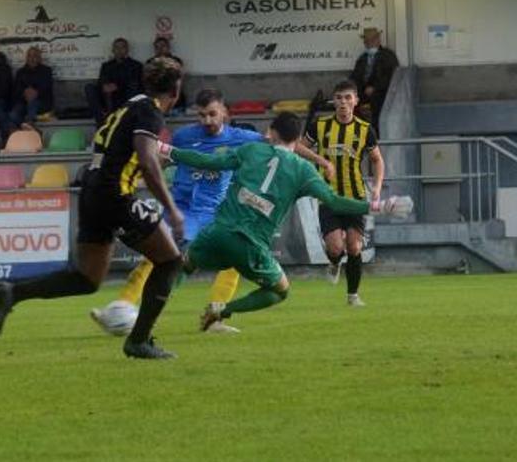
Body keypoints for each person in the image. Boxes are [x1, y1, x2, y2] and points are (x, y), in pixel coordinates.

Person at [0, 57, 186, 360]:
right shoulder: (150, 111)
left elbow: (127, 155)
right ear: (175, 89)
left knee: (87, 279)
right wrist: (171, 208)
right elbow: (146, 161)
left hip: (92, 190)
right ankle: (139, 340)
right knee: (171, 260)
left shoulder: (129, 105)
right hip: (114, 194)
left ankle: (13, 292)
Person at [163, 112, 411, 331]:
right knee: (279, 290)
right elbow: (333, 202)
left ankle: (147, 314)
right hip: (250, 244)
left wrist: (167, 150)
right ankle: (221, 310)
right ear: (298, 138)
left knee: (183, 265)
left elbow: (208, 161)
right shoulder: (304, 170)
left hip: (217, 233)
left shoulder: (251, 150)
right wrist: (376, 206)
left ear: (271, 132)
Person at [89, 88, 263, 335]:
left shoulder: (242, 137)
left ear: (224, 112)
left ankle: (214, 318)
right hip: (182, 209)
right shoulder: (183, 136)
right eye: (202, 115)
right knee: (156, 256)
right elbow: (158, 158)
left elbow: (278, 143)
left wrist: (317, 162)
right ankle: (121, 307)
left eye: (212, 114)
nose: (207, 121)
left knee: (234, 261)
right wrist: (137, 178)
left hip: (215, 213)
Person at [297, 80, 386, 307]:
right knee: (336, 247)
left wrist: (376, 188)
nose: (343, 102)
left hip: (355, 197)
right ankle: (335, 262)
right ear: (333, 101)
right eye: (339, 98)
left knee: (355, 247)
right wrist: (320, 161)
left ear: (356, 101)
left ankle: (353, 296)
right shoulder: (320, 126)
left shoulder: (365, 130)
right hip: (328, 196)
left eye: (348, 98)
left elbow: (377, 160)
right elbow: (298, 147)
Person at [86, 38, 142, 125]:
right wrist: (104, 86)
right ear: (113, 50)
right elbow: (101, 81)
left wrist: (117, 86)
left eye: (122, 47)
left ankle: (126, 114)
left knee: (133, 88)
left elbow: (137, 84)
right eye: (117, 47)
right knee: (89, 87)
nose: (119, 50)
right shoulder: (107, 65)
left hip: (126, 97)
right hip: (109, 98)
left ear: (127, 49)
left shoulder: (136, 65)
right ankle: (101, 119)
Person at [349, 27, 400, 123]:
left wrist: (375, 87)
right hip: (363, 92)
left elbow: (391, 76)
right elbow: (355, 76)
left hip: (382, 93)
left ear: (378, 40)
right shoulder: (362, 58)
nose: (369, 43)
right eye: (367, 41)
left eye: (372, 40)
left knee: (377, 104)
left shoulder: (388, 56)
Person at [10, 46, 53, 130]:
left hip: (42, 102)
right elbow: (16, 90)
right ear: (26, 58)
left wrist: (36, 93)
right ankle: (24, 129)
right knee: (13, 114)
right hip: (24, 102)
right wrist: (24, 93)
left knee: (33, 103)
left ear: (39, 58)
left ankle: (29, 124)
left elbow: (47, 87)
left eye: (35, 56)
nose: (32, 58)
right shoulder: (20, 72)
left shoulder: (46, 71)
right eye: (30, 56)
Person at [148, 37, 186, 115]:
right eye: (157, 47)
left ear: (168, 47)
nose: (160, 49)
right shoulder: (150, 62)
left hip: (174, 100)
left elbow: (179, 80)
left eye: (163, 46)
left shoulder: (176, 61)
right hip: (156, 98)